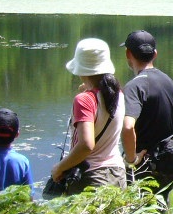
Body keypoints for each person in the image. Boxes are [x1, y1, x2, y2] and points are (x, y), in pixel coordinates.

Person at [121, 29, 173, 201]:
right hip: (166, 166)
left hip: (142, 170)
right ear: (155, 54)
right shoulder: (168, 81)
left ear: (128, 54)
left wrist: (132, 159)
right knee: (160, 212)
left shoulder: (135, 87)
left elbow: (127, 127)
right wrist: (170, 146)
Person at [49, 37, 127, 193]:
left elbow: (86, 145)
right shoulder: (118, 95)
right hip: (117, 174)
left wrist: (59, 168)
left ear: (81, 69)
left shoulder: (84, 100)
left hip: (91, 179)